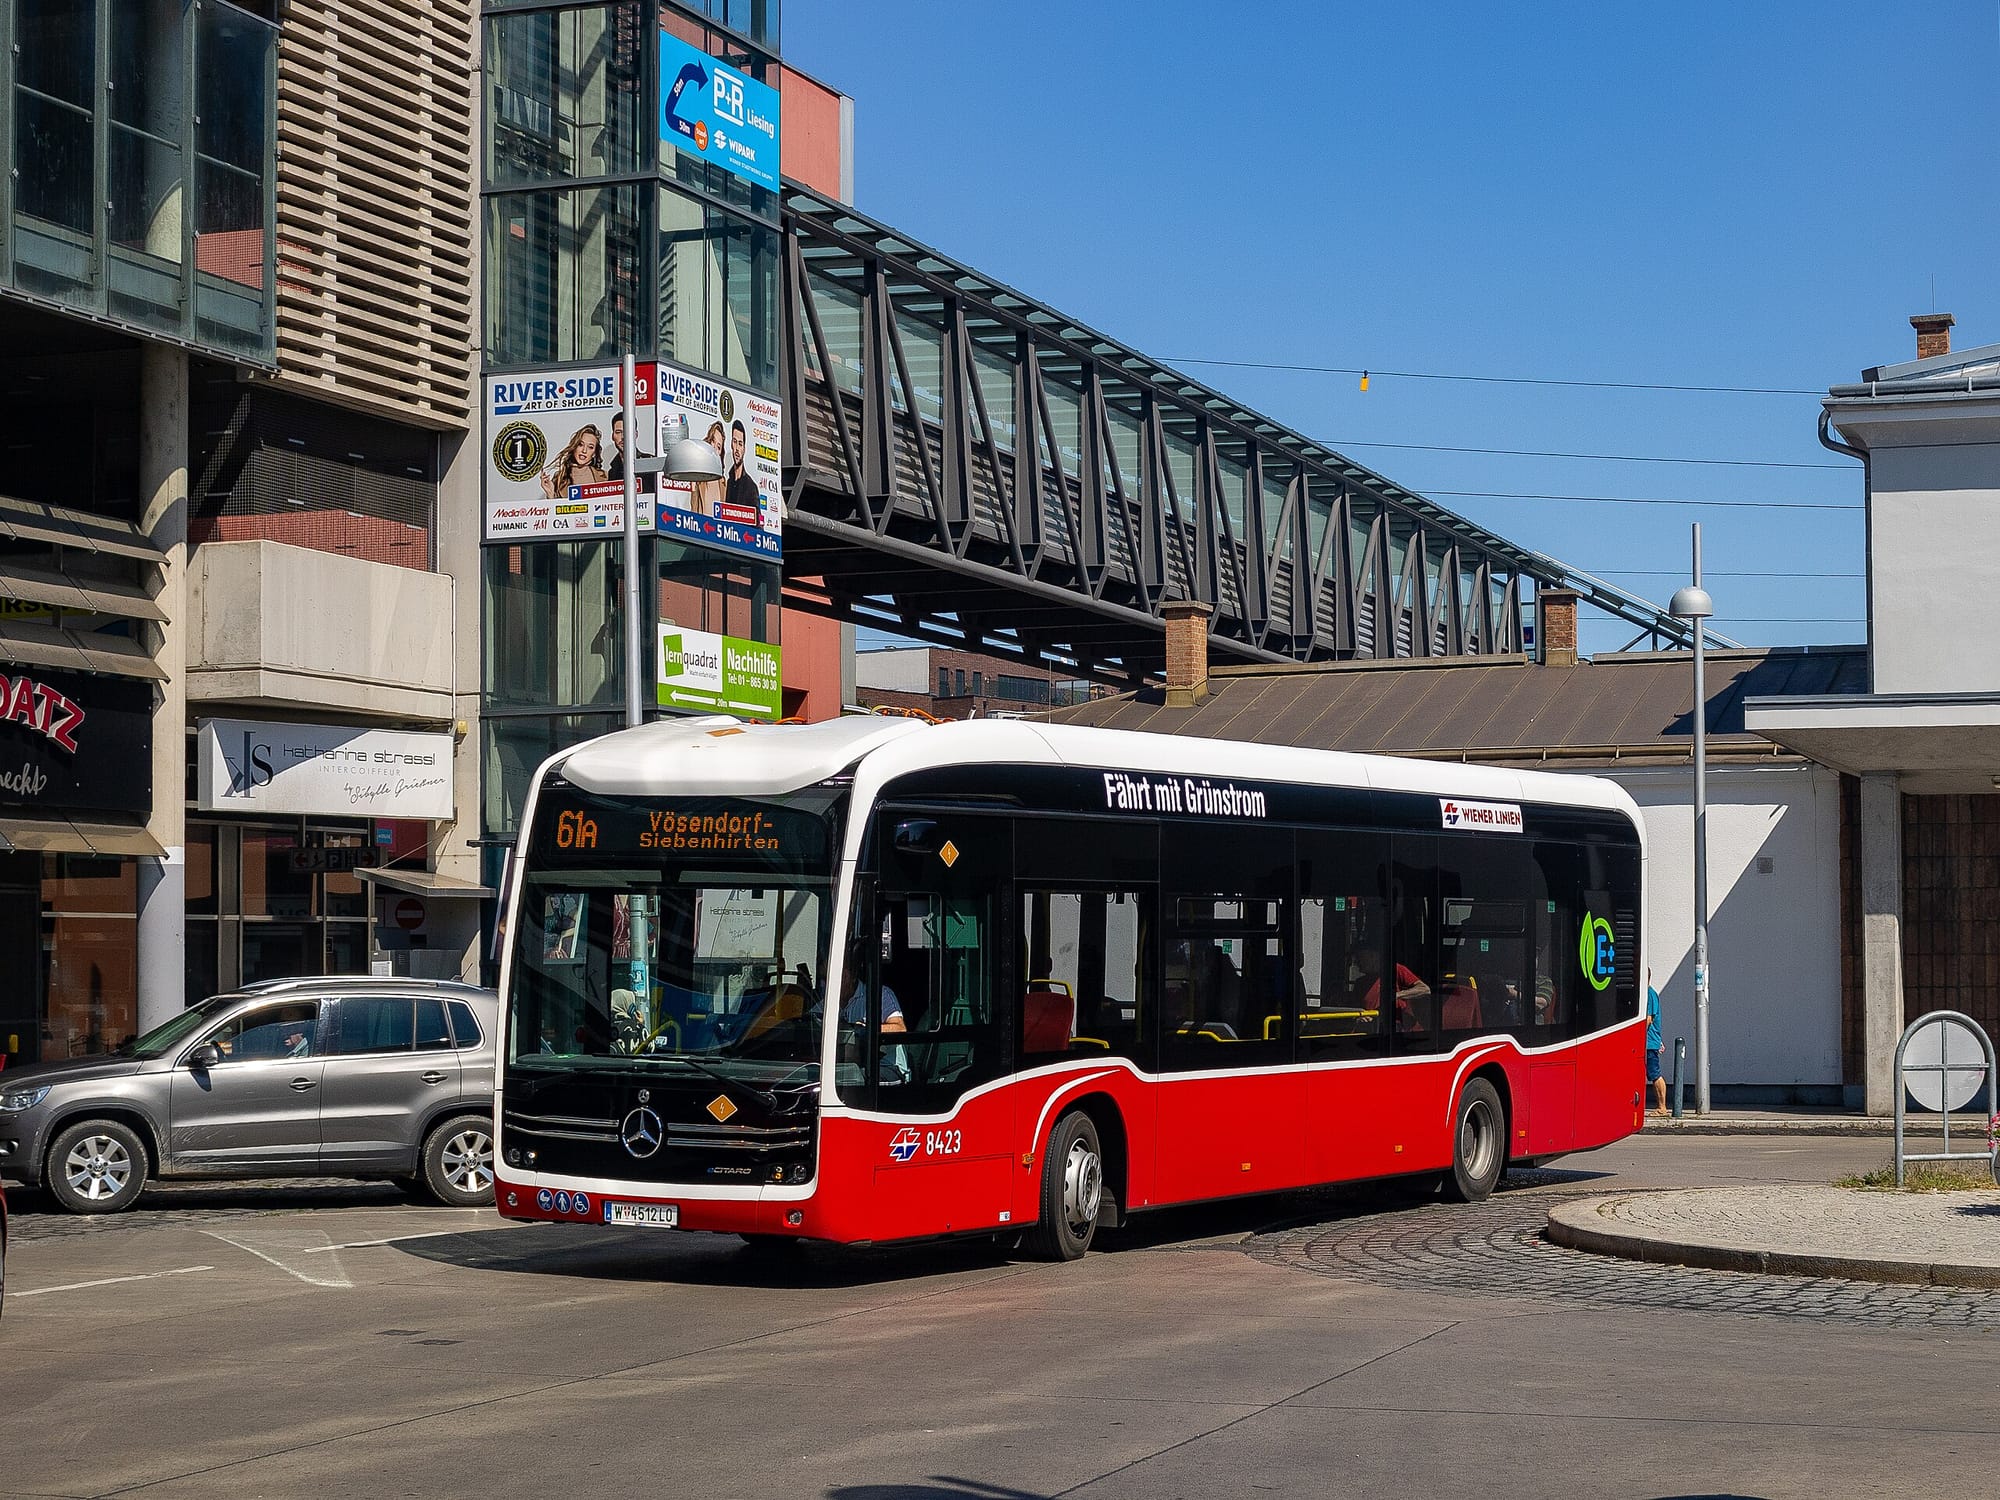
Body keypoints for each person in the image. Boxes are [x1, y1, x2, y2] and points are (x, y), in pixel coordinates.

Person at [540, 424, 609, 499]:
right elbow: (555, 509)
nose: (584, 450)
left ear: (594, 453)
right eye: (580, 444)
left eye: (590, 447)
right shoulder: (560, 478)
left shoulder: (604, 477)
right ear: (574, 447)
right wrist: (550, 494)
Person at [723, 419, 762, 520]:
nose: (737, 449)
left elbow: (757, 523)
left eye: (740, 444)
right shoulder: (728, 482)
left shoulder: (751, 487)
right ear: (731, 444)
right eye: (735, 442)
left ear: (744, 448)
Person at [1646, 971, 1667, 1117]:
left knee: (1654, 1073)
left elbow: (1648, 1020)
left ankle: (1662, 1107)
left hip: (1649, 1042)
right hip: (1648, 1042)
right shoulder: (1646, 994)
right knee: (1650, 1073)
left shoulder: (1650, 994)